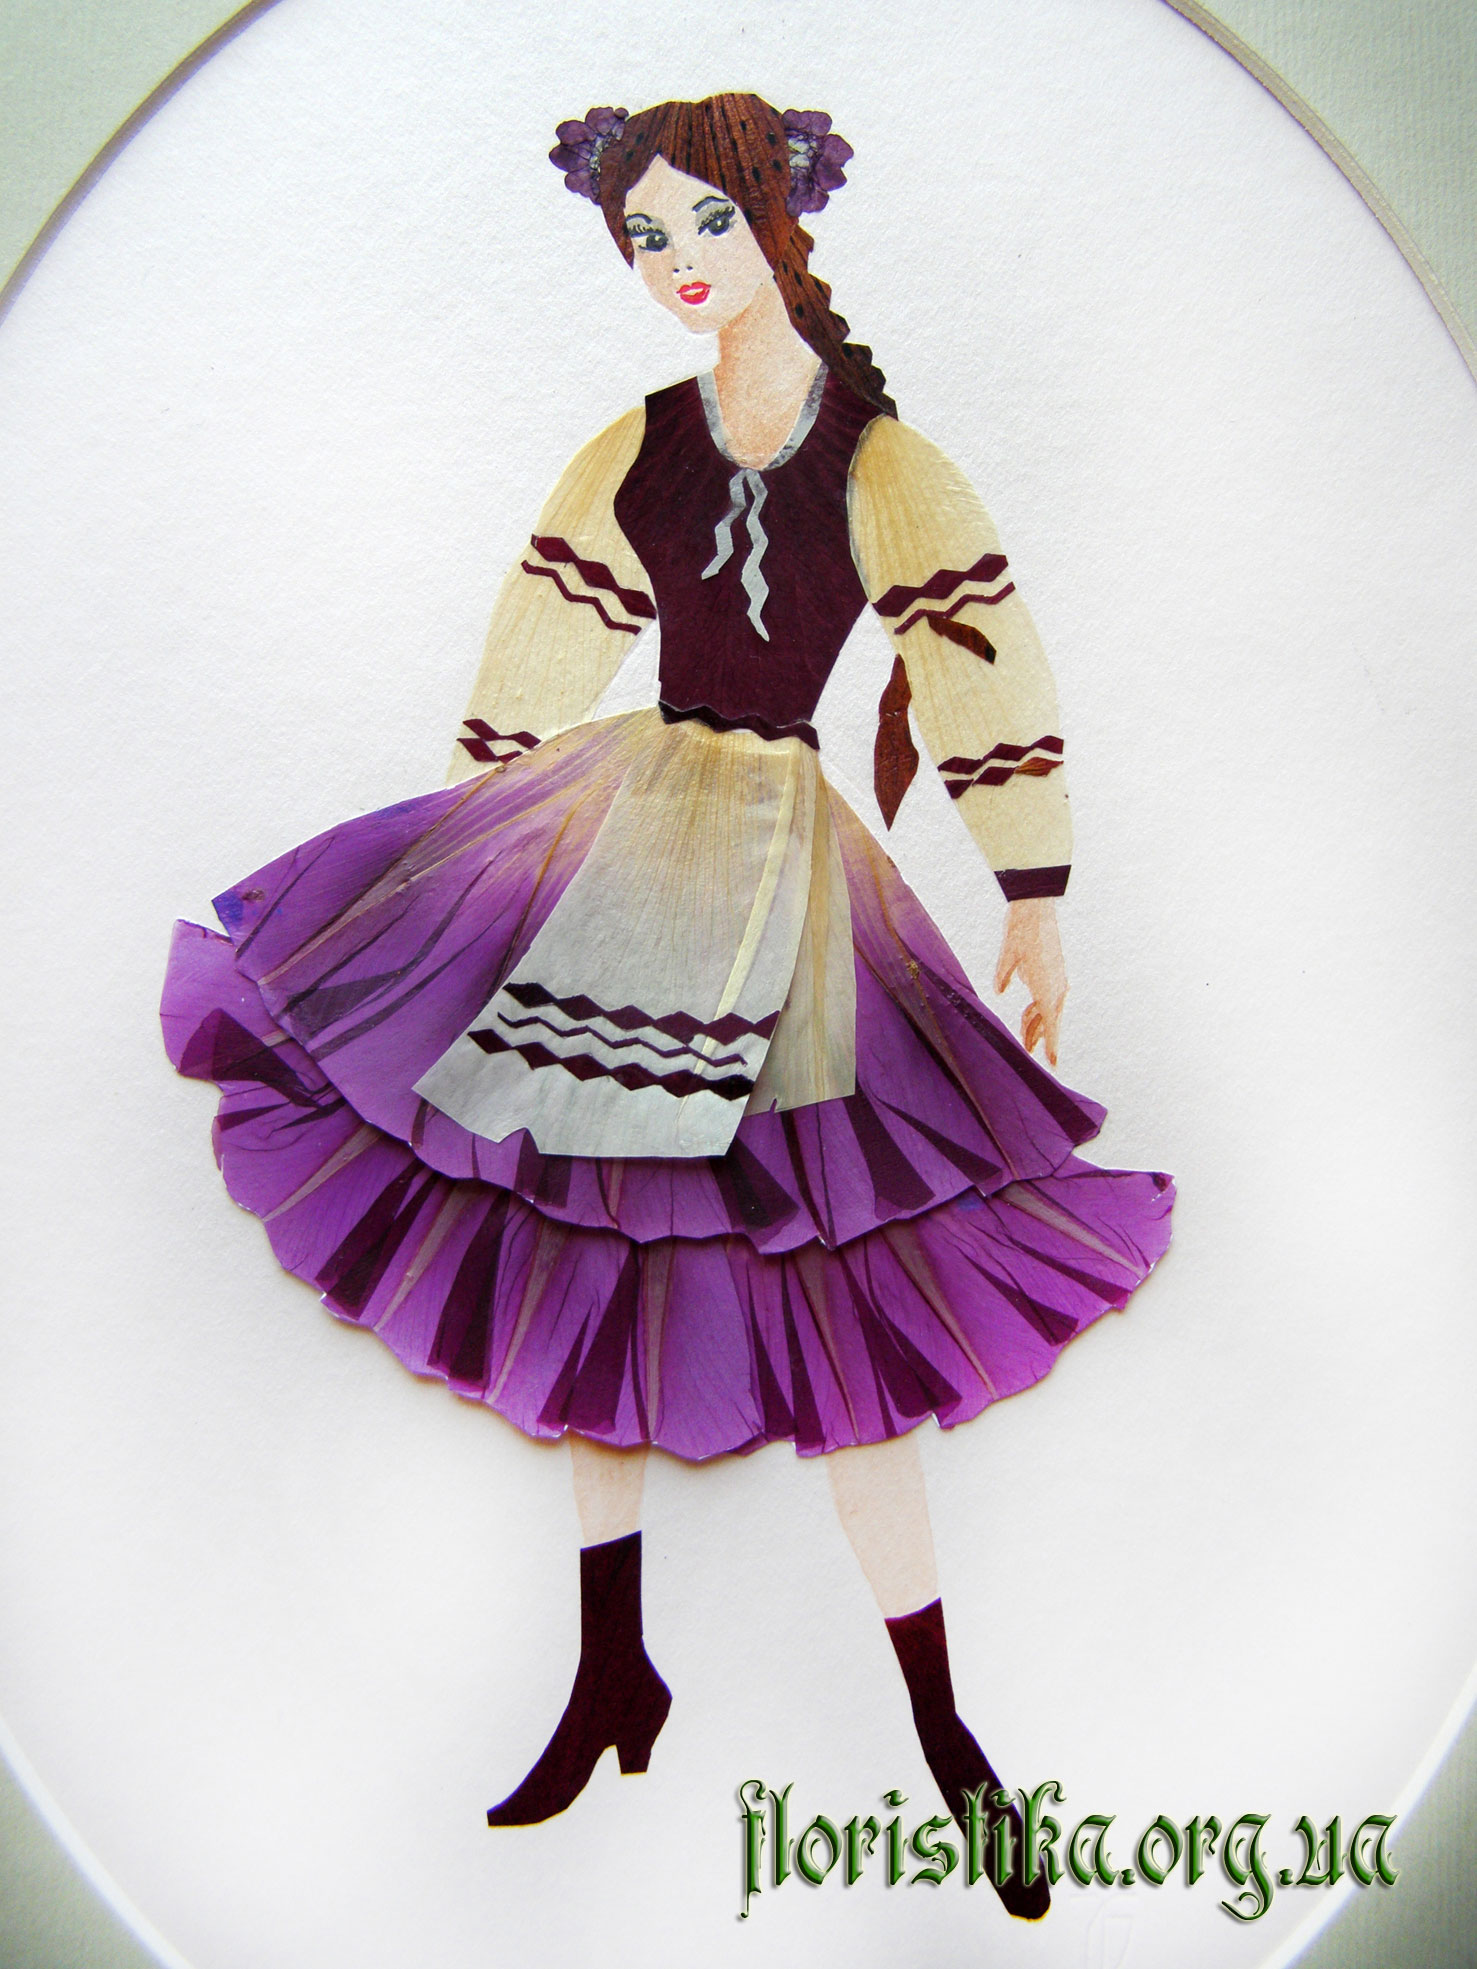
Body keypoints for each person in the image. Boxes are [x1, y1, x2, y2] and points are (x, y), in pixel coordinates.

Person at [161, 91, 1173, 1923]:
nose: (677, 265)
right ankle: (614, 1660)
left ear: (779, 226)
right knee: (590, 1225)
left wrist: (1033, 888)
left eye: (706, 225)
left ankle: (938, 1716)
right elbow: (545, 629)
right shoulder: (637, 443)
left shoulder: (882, 462)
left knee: (838, 1261)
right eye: (645, 239)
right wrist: (468, 834)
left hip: (788, 876)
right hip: (624, 846)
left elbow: (977, 657)